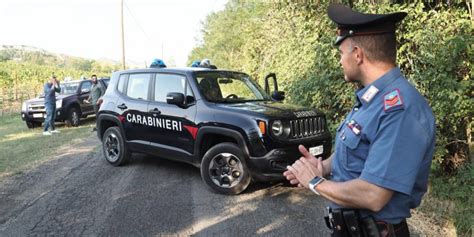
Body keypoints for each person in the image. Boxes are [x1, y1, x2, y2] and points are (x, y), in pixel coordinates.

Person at [283, 4, 435, 237]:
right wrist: (322, 167)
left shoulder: (400, 108)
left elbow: (373, 195)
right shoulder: (371, 99)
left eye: (341, 54)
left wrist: (314, 182)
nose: (340, 61)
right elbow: (356, 151)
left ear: (358, 54)